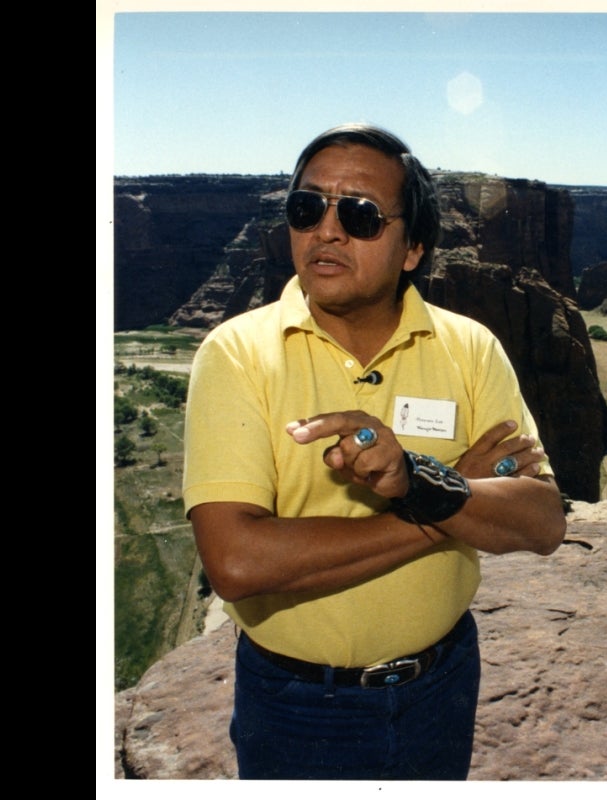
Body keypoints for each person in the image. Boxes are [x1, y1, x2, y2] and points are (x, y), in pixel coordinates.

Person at [182, 123, 566, 780]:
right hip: (298, 706)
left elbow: (541, 521)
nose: (326, 231)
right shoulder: (236, 354)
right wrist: (442, 496)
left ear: (413, 247)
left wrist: (416, 479)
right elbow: (236, 563)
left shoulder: (471, 349)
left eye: (359, 215)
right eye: (308, 208)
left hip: (440, 688)